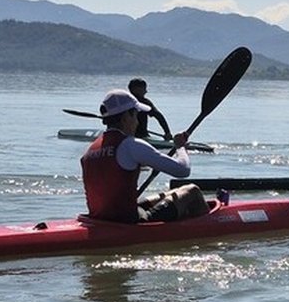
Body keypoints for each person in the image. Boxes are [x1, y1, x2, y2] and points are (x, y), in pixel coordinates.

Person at [80, 89, 207, 223]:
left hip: (99, 218)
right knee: (192, 191)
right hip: (127, 223)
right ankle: (206, 230)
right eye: (135, 116)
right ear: (125, 117)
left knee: (168, 194)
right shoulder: (131, 145)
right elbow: (183, 170)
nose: (137, 122)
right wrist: (180, 147)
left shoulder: (90, 151)